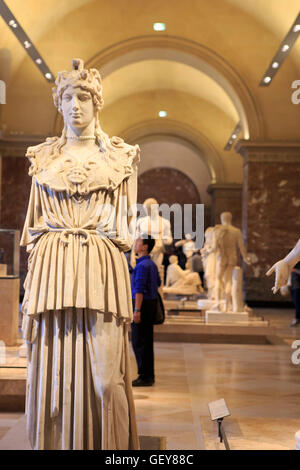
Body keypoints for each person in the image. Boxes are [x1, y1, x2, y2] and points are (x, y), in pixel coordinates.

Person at [20, 59, 140, 450]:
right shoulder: (42, 158)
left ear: (97, 102)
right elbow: (34, 232)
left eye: (84, 96)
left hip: (100, 268)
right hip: (53, 269)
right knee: (54, 374)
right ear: (59, 103)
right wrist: (30, 296)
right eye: (68, 97)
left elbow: (124, 232)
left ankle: (115, 451)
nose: (75, 105)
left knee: (107, 379)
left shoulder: (121, 158)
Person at [131, 236, 161, 386]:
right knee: (147, 342)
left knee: (139, 341)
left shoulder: (142, 266)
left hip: (142, 306)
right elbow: (158, 283)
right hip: (150, 305)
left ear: (144, 247)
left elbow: (139, 289)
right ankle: (149, 375)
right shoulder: (151, 264)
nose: (135, 244)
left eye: (138, 242)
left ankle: (144, 376)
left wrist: (137, 310)